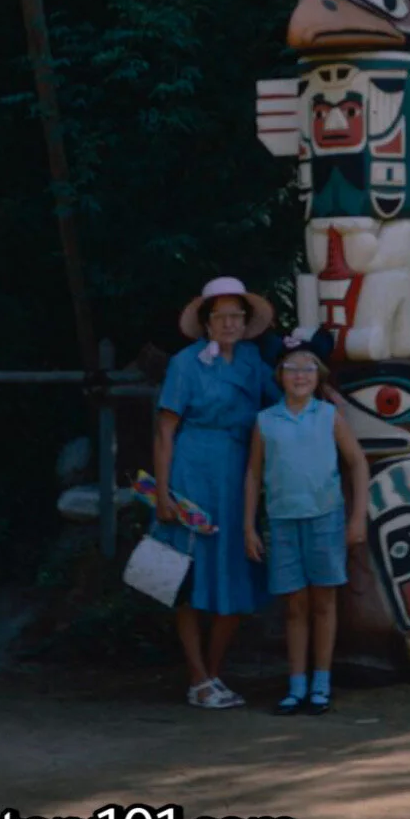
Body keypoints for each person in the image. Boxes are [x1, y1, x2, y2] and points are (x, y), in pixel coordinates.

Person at [151, 276, 282, 710]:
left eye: (236, 316)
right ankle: (197, 677)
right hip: (192, 467)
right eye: (221, 317)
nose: (229, 324)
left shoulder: (251, 362)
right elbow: (166, 431)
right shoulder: (185, 364)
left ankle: (213, 672)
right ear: (206, 323)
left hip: (237, 472)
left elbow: (285, 396)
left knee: (234, 571)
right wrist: (164, 491)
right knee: (187, 574)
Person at [243, 334, 370, 715]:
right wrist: (249, 526)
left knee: (324, 602)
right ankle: (295, 683)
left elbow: (358, 463)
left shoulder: (329, 416)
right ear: (280, 375)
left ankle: (321, 683)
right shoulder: (266, 420)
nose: (300, 375)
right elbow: (253, 474)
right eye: (292, 368)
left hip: (325, 518)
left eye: (308, 367)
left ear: (319, 375)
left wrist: (357, 515)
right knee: (294, 606)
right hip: (282, 520)